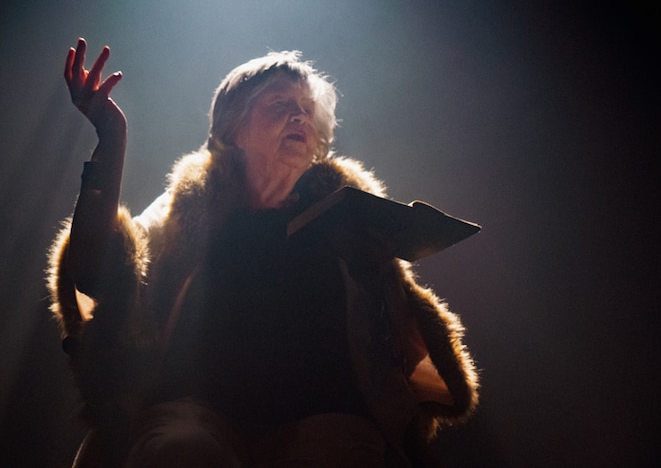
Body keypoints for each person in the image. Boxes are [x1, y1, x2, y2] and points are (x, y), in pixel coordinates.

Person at [46, 38, 479, 468]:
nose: (299, 116)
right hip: (195, 411)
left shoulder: (352, 218)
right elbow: (97, 271)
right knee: (177, 450)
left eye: (307, 110)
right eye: (279, 105)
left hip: (328, 418)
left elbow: (398, 348)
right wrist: (112, 137)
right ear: (230, 129)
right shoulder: (186, 214)